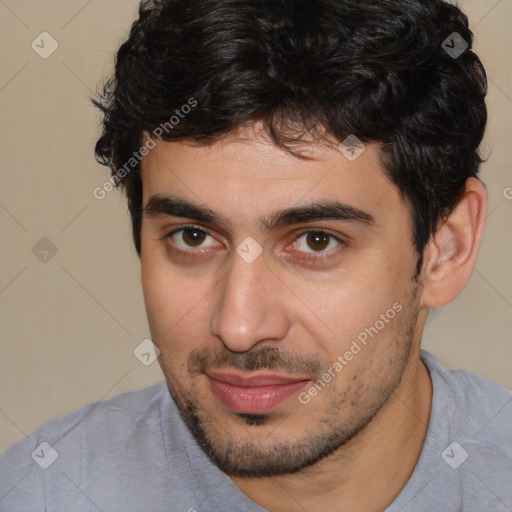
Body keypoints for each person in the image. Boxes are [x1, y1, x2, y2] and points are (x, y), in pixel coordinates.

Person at [1, 0, 511, 510]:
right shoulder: (39, 492)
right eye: (193, 237)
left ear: (446, 248)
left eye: (316, 241)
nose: (239, 327)